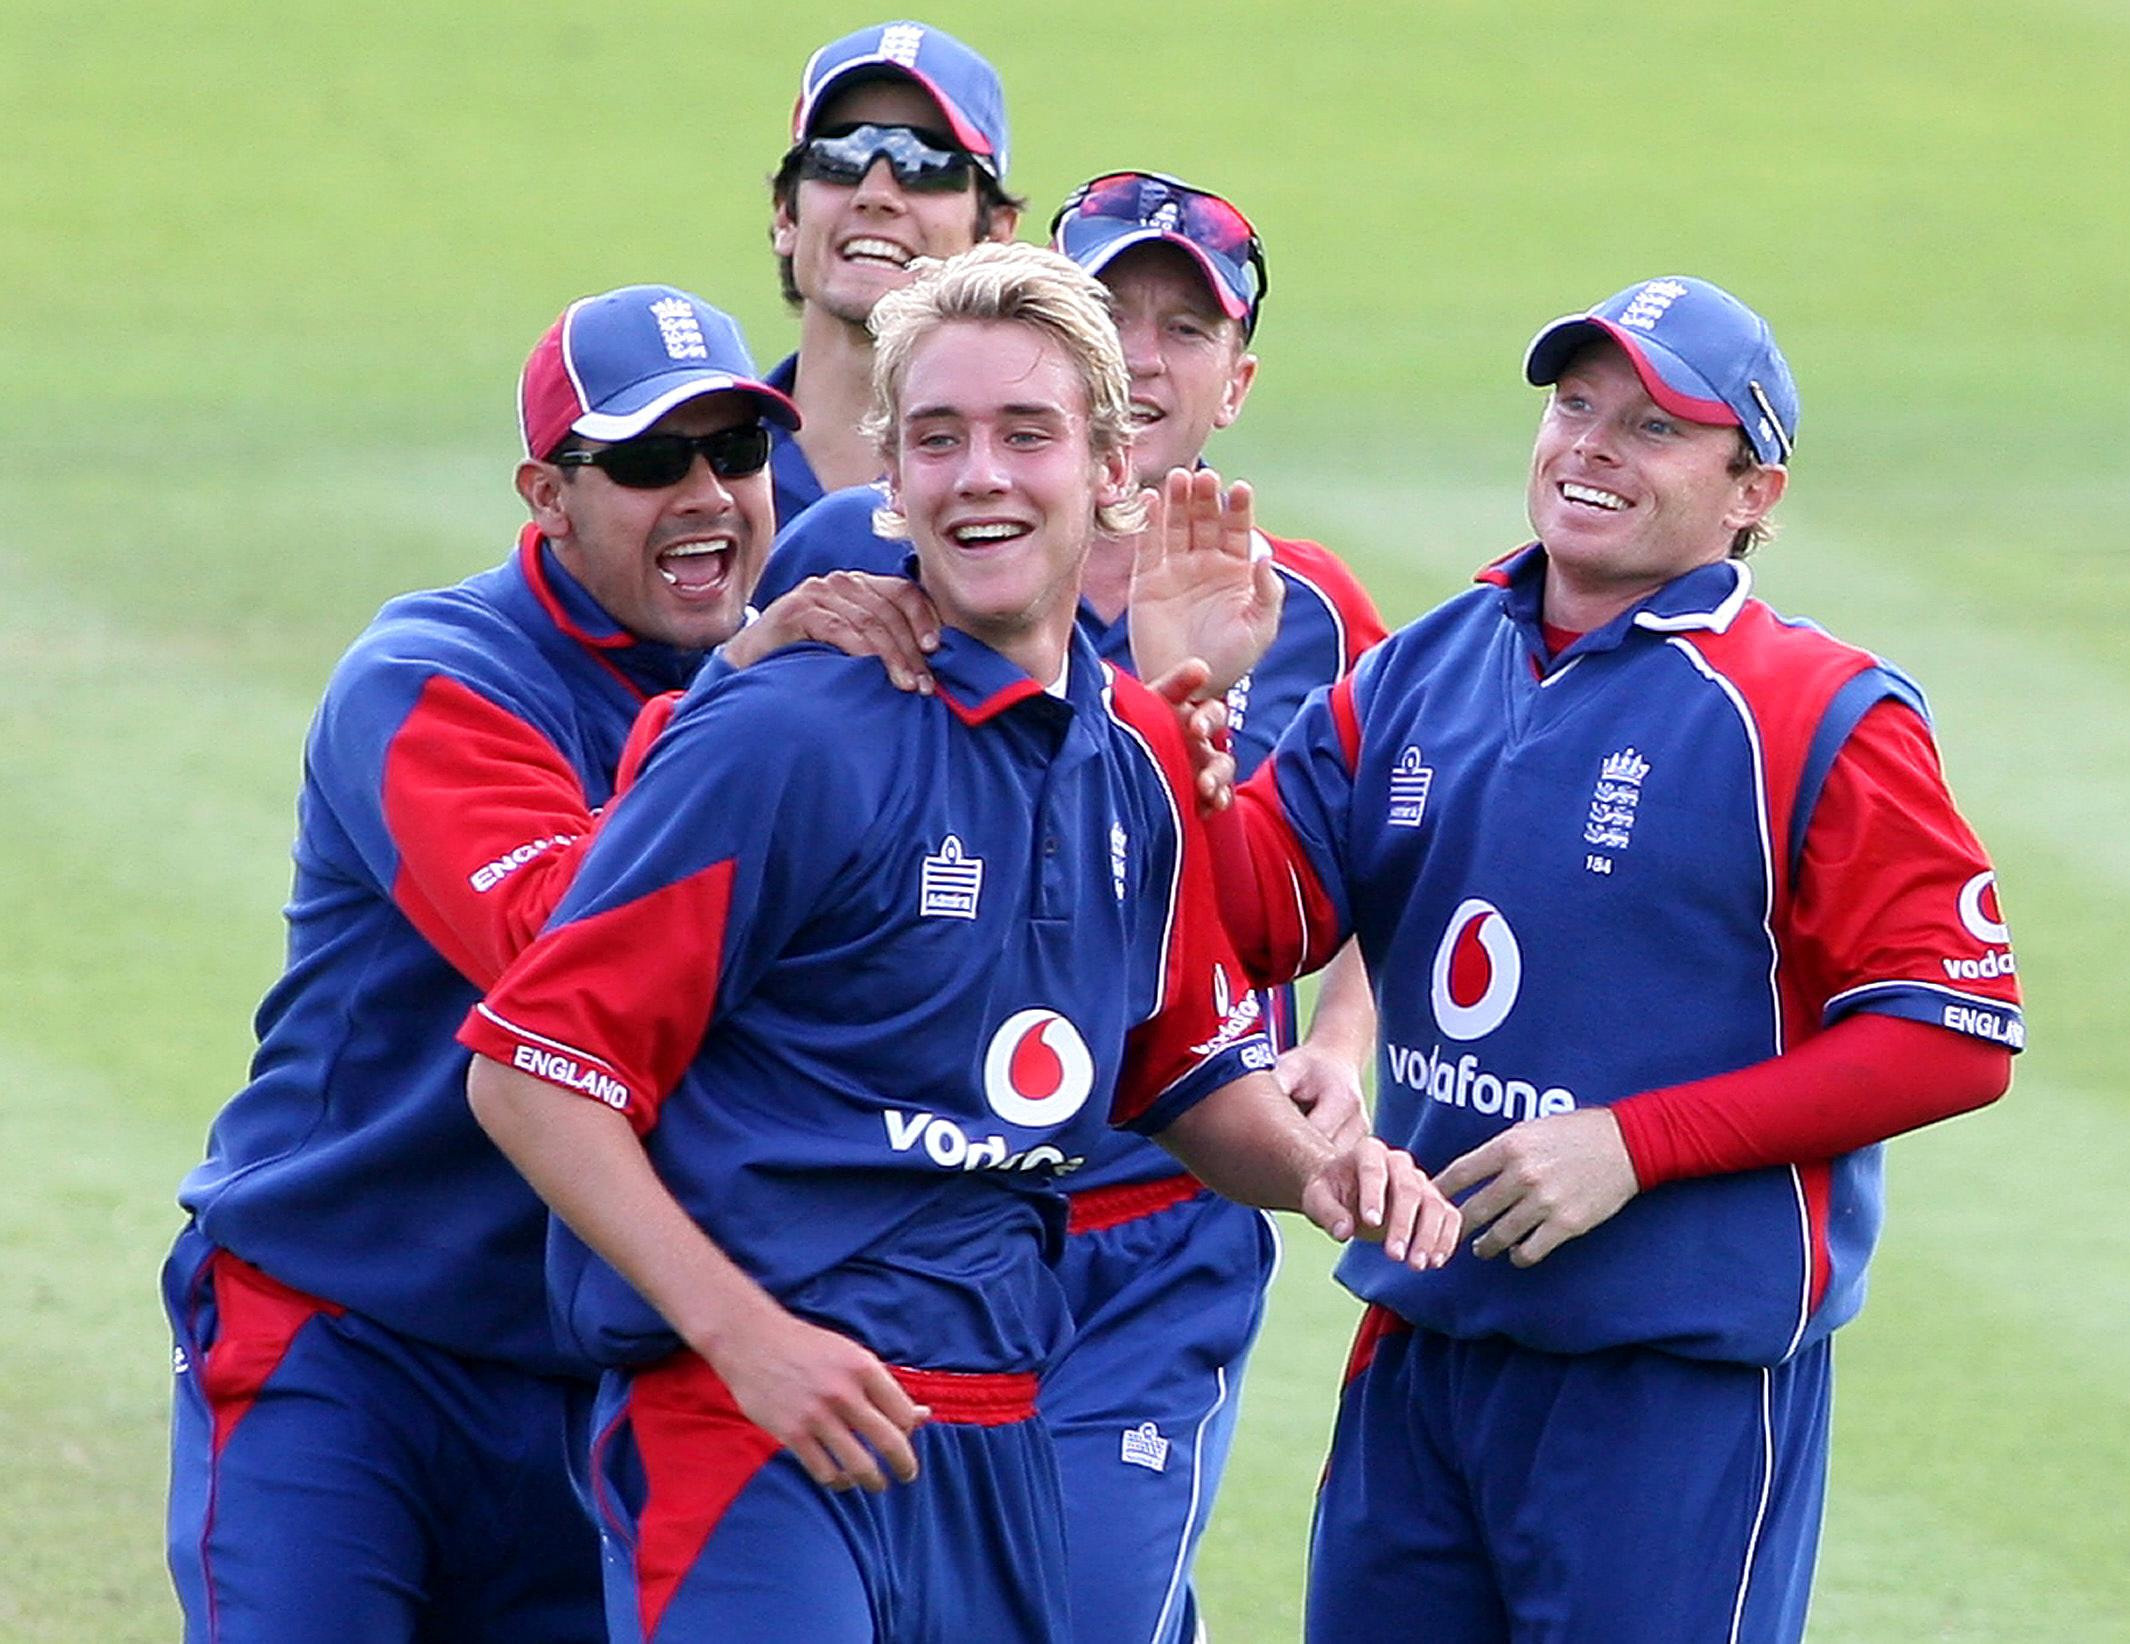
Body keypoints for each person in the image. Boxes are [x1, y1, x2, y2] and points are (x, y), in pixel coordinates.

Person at [456, 243, 1461, 1644]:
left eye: (1023, 433)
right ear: (888, 483)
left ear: (1111, 469)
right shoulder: (785, 736)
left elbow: (1175, 1072)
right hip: (754, 1438)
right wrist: (748, 1343)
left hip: (993, 1432)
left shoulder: (1129, 770)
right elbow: (532, 1074)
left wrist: (1322, 1168)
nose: (978, 474)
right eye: (936, 438)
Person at [1173, 275, 2024, 1642]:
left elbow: (1949, 1031)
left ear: (1754, 491)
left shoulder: (1814, 712)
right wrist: (1187, 720)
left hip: (1671, 1384)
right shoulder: (1421, 669)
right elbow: (1257, 922)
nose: (1587, 447)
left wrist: (1631, 1145)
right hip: (1421, 1350)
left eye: (1650, 426)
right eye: (1572, 406)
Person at [161, 283, 933, 1642]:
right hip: (342, 1345)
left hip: (594, 1364)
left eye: (734, 453)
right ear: (546, 493)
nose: (705, 496)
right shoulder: (426, 679)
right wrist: (741, 690)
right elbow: (563, 950)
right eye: (644, 463)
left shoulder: (807, 699)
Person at [758, 173, 1390, 1642]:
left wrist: (1341, 1050)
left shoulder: (1299, 607)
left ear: (1234, 383)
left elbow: (1369, 872)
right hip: (915, 1218)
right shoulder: (861, 557)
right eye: (1115, 310)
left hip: (1158, 1220)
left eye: (1188, 327)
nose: (1148, 353)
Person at [763, 20, 1022, 528]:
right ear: (786, 216)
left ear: (993, 236)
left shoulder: (1029, 499)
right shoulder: (698, 474)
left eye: (926, 163)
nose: (876, 195)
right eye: (840, 155)